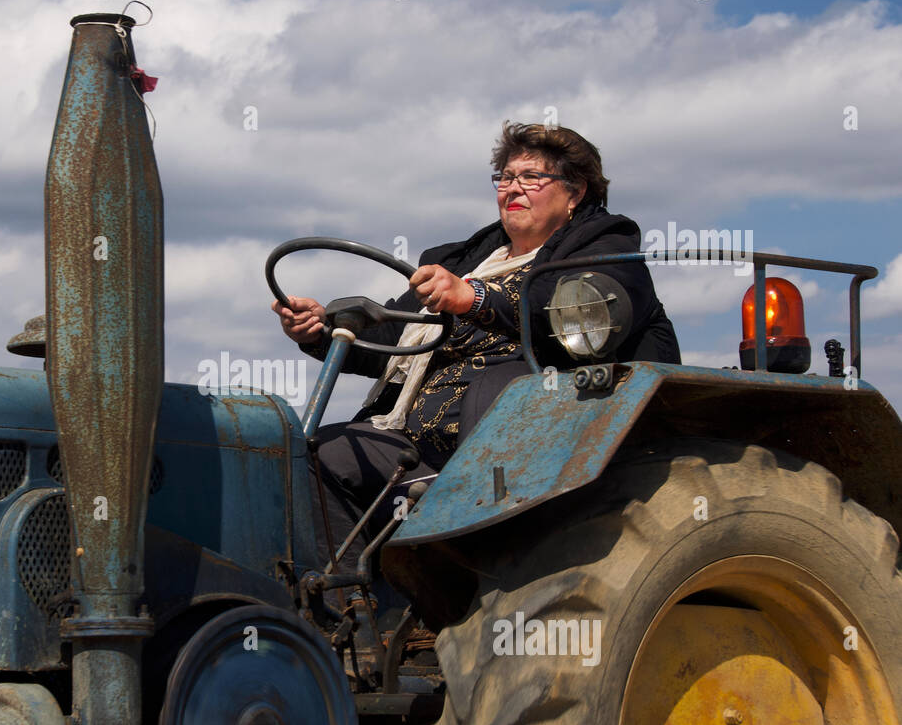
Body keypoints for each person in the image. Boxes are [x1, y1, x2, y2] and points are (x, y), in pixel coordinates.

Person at [272, 121, 680, 575]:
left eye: (531, 177)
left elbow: (580, 311)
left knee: (500, 386)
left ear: (575, 192)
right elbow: (390, 342)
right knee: (321, 451)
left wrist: (477, 299)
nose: (512, 189)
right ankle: (351, 615)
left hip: (525, 454)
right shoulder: (465, 260)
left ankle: (479, 553)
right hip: (412, 444)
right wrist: (322, 331)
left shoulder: (607, 252)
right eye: (505, 178)